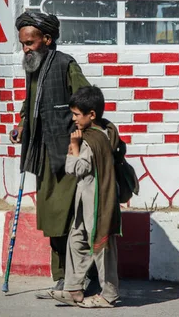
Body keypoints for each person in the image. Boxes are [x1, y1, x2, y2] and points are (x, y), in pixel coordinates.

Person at [10, 11, 92, 298]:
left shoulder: (65, 64)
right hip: (42, 153)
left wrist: (76, 136)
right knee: (52, 218)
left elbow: (86, 100)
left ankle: (77, 277)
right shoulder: (34, 66)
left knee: (68, 216)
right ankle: (60, 277)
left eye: (30, 43)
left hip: (66, 154)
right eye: (23, 43)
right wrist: (21, 126)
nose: (26, 49)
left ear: (47, 39)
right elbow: (29, 104)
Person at [51, 86, 121, 308]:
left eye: (76, 114)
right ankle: (74, 289)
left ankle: (109, 294)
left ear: (91, 114)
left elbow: (78, 169)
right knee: (77, 240)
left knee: (102, 248)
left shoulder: (90, 140)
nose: (73, 119)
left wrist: (73, 147)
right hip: (87, 201)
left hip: (99, 202)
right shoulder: (106, 131)